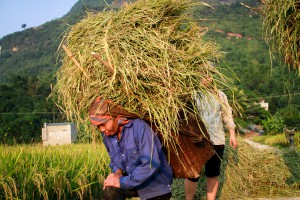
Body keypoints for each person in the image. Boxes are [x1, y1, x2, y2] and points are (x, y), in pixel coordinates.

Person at [88, 97, 173, 200]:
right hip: (131, 180)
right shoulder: (107, 135)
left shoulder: (139, 127)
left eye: (104, 124)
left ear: (116, 117)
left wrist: (122, 182)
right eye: (98, 126)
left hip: (154, 184)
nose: (102, 129)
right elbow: (113, 160)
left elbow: (151, 164)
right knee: (110, 190)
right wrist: (118, 174)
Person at [184, 71, 238, 200]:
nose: (205, 78)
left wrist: (232, 134)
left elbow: (227, 114)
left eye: (208, 75)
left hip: (216, 140)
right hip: (196, 141)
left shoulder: (220, 95)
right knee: (193, 174)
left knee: (212, 174)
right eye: (202, 75)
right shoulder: (191, 95)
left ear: (212, 77)